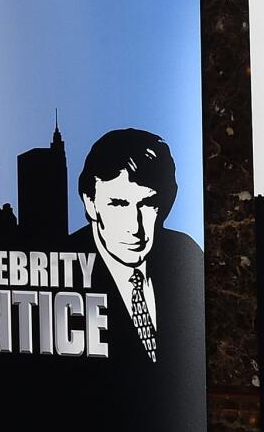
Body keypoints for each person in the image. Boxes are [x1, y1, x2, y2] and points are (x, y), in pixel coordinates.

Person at [70, 128, 203, 371]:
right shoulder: (62, 264)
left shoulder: (185, 254)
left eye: (147, 204)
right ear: (90, 203)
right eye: (119, 204)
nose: (135, 227)